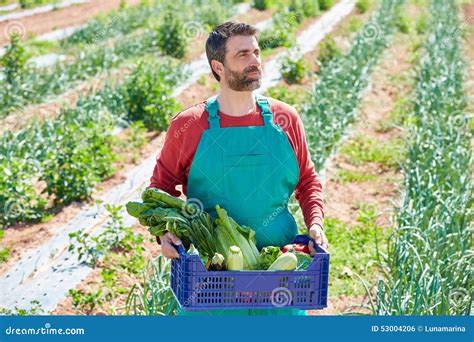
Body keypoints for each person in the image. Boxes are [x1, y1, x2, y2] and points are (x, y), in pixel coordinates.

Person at [149, 21, 328, 315]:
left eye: (256, 52)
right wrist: (164, 233)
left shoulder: (285, 118)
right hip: (212, 279)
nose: (255, 60)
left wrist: (316, 224)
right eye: (243, 54)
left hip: (279, 272)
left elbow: (307, 181)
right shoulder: (190, 125)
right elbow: (160, 188)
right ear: (218, 66)